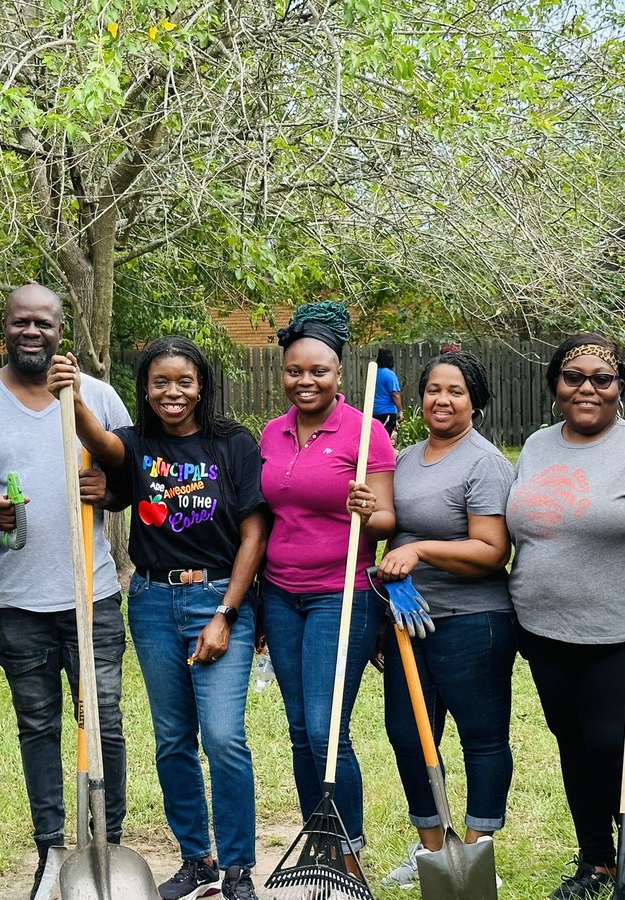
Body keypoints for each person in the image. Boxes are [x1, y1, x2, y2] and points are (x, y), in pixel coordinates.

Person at [49, 336, 266, 900]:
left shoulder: (233, 444)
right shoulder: (137, 443)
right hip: (149, 602)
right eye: (161, 382)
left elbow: (253, 534)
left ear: (202, 387)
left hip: (217, 597)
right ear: (144, 388)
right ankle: (198, 861)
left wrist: (226, 613)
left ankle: (239, 867)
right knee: (173, 739)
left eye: (185, 381)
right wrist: (72, 398)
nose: (173, 392)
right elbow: (98, 441)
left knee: (223, 738)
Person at [0, 283, 131, 896]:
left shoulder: (96, 396)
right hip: (15, 600)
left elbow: (132, 478)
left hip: (93, 592)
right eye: (21, 322)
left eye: (43, 323)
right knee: (38, 724)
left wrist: (110, 490)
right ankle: (52, 849)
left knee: (101, 721)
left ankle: (106, 844)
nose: (32, 332)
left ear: (60, 328)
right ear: (5, 328)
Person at [507, 334, 625, 900]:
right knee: (572, 741)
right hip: (545, 630)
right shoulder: (538, 445)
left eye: (602, 378)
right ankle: (594, 862)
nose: (587, 387)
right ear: (555, 387)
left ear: (620, 388)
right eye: (574, 377)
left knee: (614, 744)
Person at [258, 302, 396, 875]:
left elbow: (386, 520)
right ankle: (319, 839)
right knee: (298, 730)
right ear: (283, 373)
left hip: (342, 594)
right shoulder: (270, 433)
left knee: (325, 728)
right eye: (295, 371)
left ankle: (349, 849)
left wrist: (370, 509)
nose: (305, 381)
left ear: (339, 373)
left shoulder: (366, 435)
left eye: (318, 371)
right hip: (279, 593)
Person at [374, 350, 517, 889]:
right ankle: (432, 851)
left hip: (472, 621)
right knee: (409, 736)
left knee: (480, 736)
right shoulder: (406, 457)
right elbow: (391, 532)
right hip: (409, 621)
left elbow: (491, 550)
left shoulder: (483, 462)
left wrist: (422, 552)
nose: (443, 400)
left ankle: (478, 856)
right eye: (434, 389)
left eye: (456, 391)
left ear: (475, 402)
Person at [373, 348, 403, 436]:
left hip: (375, 410)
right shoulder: (390, 374)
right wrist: (400, 410)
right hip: (387, 411)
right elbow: (395, 394)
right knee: (387, 438)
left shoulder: (375, 373)